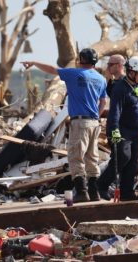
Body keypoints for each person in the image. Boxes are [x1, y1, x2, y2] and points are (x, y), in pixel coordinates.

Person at [21, 48, 107, 202]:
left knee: (76, 157)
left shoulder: (75, 74)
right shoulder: (101, 79)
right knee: (92, 158)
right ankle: (94, 193)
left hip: (80, 122)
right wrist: (96, 116)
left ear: (81, 60)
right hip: (94, 122)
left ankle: (82, 192)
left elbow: (52, 69)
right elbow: (103, 102)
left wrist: (34, 63)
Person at [97, 56, 138, 201]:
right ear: (131, 72)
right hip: (121, 129)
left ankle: (127, 193)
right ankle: (101, 185)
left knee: (132, 160)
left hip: (134, 130)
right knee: (122, 157)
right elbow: (114, 112)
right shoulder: (120, 87)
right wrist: (114, 131)